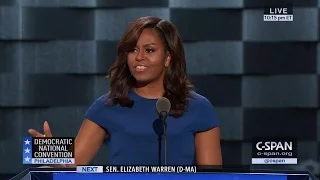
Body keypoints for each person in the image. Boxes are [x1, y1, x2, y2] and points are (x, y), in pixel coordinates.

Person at [28, 16, 222, 166]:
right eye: (133, 50)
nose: (139, 57)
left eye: (149, 50)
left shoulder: (199, 108)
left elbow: (212, 176)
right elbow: (74, 162)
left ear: (168, 58)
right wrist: (50, 151)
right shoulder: (108, 106)